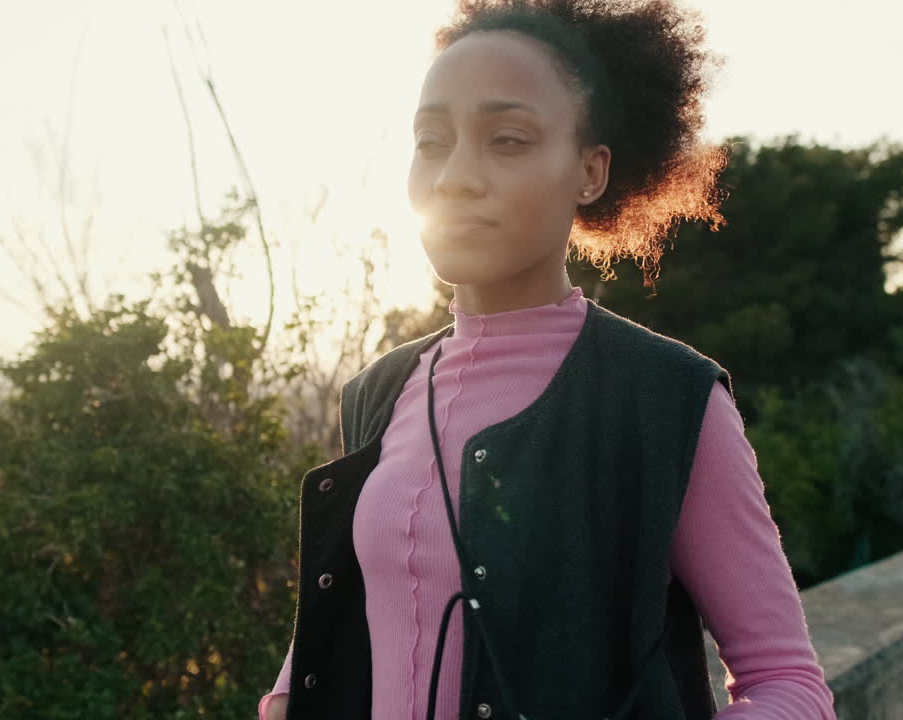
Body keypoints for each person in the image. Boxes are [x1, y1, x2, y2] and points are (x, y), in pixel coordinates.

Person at [262, 0, 836, 717]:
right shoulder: (378, 392)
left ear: (589, 172)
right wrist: (289, 693)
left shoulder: (666, 403)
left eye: (506, 140)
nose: (455, 178)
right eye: (432, 141)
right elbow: (376, 596)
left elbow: (788, 682)